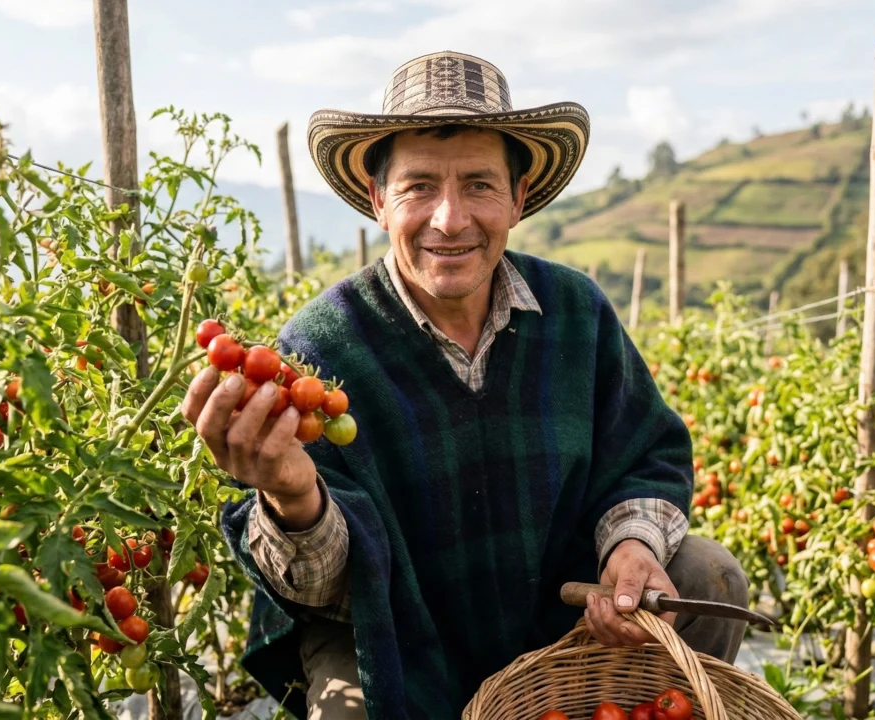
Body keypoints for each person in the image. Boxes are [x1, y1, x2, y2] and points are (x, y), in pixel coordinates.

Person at [182, 51, 749, 720]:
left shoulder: (575, 312)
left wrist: (628, 549)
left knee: (708, 576)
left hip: (561, 617)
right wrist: (291, 495)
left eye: (479, 184)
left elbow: (643, 451)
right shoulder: (321, 351)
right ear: (378, 200)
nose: (450, 219)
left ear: (518, 197)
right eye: (419, 185)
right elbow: (322, 590)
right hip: (398, 636)